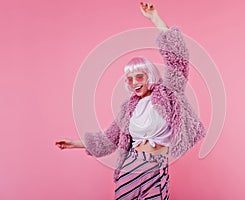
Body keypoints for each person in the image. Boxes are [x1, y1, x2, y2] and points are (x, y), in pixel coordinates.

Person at [55, 2, 206, 199]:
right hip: (131, 168)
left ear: (149, 76)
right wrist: (73, 143)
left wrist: (155, 19)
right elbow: (108, 139)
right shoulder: (129, 108)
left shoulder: (168, 94)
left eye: (139, 76)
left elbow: (177, 58)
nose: (134, 82)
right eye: (130, 78)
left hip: (157, 167)